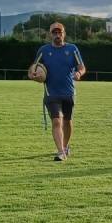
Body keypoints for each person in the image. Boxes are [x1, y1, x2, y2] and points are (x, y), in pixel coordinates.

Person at [28, 21, 86, 161]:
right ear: (50, 35)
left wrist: (79, 73)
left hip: (68, 93)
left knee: (67, 121)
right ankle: (60, 152)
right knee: (56, 121)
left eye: (60, 32)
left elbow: (82, 67)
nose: (57, 35)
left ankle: (65, 147)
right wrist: (33, 76)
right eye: (54, 32)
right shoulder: (43, 50)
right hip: (51, 93)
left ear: (64, 34)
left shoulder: (72, 49)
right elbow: (33, 69)